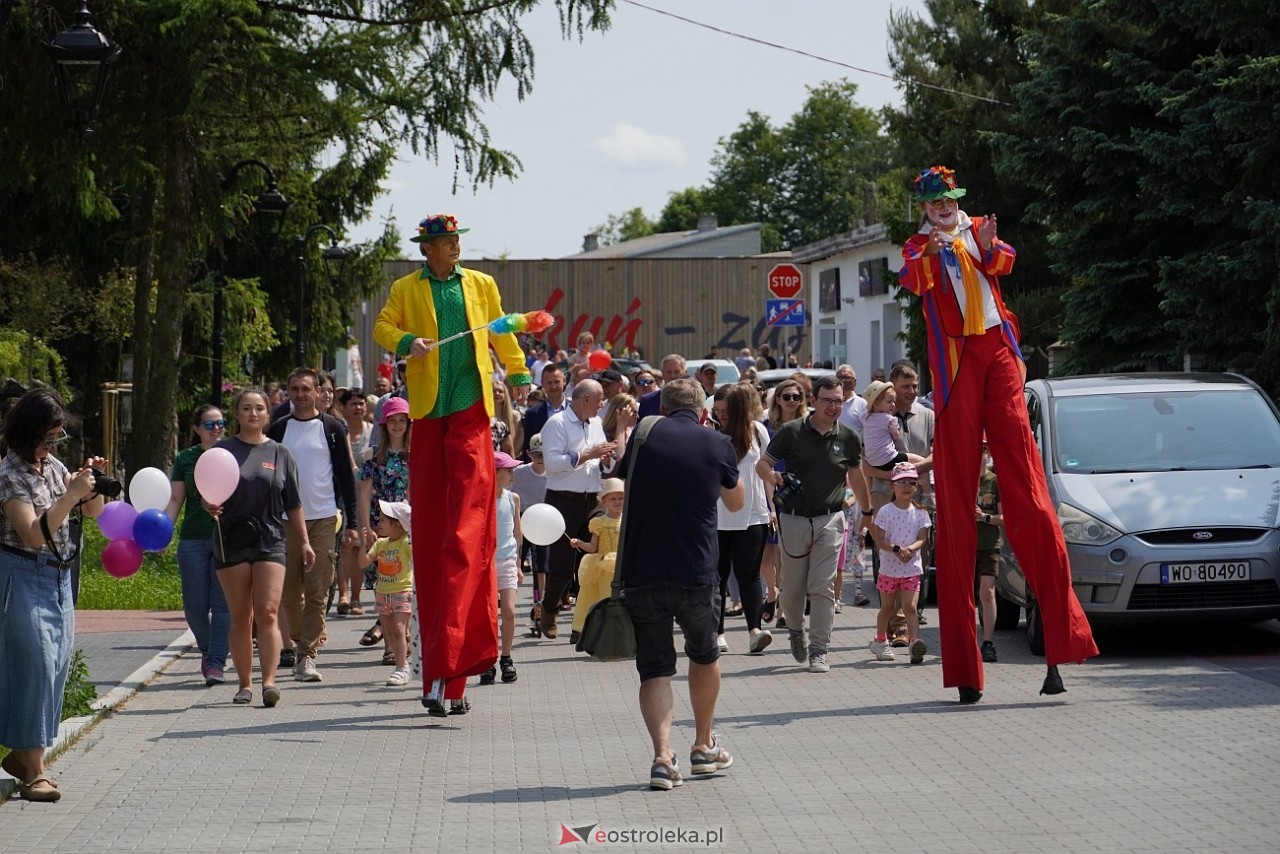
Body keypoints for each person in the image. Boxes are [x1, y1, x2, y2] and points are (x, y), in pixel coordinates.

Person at [899, 165, 1098, 702]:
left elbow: (1003, 262)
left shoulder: (978, 227)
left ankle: (1059, 648)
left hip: (998, 352)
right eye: (936, 201)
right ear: (923, 207)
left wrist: (982, 242)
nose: (945, 207)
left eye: (950, 199)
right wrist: (940, 248)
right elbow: (915, 281)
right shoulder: (918, 247)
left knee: (1030, 494)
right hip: (958, 364)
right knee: (958, 500)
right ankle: (966, 667)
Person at [373, 213, 531, 716]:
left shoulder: (481, 284)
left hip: (468, 408)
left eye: (457, 240)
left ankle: (454, 675)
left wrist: (520, 367)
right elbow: (381, 325)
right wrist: (405, 343)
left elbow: (501, 331)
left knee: (466, 535)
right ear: (428, 249)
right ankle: (438, 675)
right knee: (439, 534)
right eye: (445, 242)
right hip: (429, 408)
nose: (454, 248)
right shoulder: (407, 287)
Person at [618, 379, 743, 791]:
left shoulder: (643, 434)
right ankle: (702, 746)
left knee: (655, 667)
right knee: (704, 656)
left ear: (665, 407)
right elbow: (736, 502)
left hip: (643, 568)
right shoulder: (717, 442)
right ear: (703, 410)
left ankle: (661, 757)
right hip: (697, 569)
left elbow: (621, 475)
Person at [0, 389, 108, 802]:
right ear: (27, 433)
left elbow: (93, 512)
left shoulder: (53, 466)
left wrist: (89, 486)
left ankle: (24, 759)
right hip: (22, 573)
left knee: (57, 670)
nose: (52, 446)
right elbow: (32, 533)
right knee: (36, 667)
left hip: (59, 578)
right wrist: (69, 495)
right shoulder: (10, 474)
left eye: (58, 438)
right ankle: (35, 772)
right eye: (48, 438)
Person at [756, 375, 872, 674]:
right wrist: (774, 477)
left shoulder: (848, 437)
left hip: (831, 519)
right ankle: (796, 631)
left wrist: (868, 512)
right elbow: (762, 464)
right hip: (793, 519)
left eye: (838, 401)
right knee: (793, 589)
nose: (833, 406)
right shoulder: (792, 432)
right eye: (827, 400)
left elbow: (857, 477)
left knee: (822, 588)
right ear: (813, 401)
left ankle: (819, 650)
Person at [208, 388, 314, 709]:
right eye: (246, 408)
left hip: (270, 540)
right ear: (237, 414)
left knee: (268, 611)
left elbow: (293, 503)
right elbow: (207, 492)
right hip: (231, 542)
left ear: (268, 414)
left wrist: (306, 541)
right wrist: (208, 505)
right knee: (242, 616)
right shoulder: (221, 451)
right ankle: (245, 684)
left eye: (259, 408)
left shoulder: (281, 453)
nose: (253, 413)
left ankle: (269, 682)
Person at [267, 367, 359, 684]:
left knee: (317, 589)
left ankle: (306, 656)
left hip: (322, 517)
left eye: (306, 389)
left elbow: (347, 478)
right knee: (289, 593)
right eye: (294, 389)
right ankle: (303, 636)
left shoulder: (332, 428)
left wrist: (351, 522)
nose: (300, 395)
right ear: (289, 392)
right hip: (286, 520)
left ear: (318, 391)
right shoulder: (278, 430)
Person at [538, 379, 614, 638]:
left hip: (592, 500)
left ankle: (582, 623)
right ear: (585, 400)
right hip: (563, 501)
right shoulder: (556, 424)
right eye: (599, 398)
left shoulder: (595, 424)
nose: (602, 404)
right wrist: (587, 455)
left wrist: (604, 457)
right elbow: (552, 462)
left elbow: (599, 458)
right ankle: (548, 611)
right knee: (562, 564)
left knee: (592, 561)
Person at [166, 404, 231, 686]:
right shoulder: (185, 458)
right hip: (192, 537)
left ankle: (216, 661)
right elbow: (175, 500)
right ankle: (206, 649)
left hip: (227, 538)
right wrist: (163, 530)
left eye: (220, 423)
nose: (216, 429)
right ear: (196, 429)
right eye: (209, 424)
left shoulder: (233, 454)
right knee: (194, 604)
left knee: (222, 604)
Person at [712, 384, 773, 654]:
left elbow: (766, 471)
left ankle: (754, 631)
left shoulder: (757, 431)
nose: (721, 415)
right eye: (717, 410)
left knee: (749, 575)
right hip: (719, 517)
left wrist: (772, 507)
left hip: (753, 514)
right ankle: (718, 633)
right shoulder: (711, 433)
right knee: (718, 576)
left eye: (725, 410)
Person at [356, 396, 412, 660]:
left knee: (405, 583)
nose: (398, 426)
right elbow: (365, 494)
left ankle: (403, 637)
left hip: (408, 526)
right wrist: (366, 527)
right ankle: (390, 645)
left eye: (403, 421)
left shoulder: (416, 454)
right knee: (383, 583)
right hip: (382, 526)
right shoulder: (374, 456)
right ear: (384, 424)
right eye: (393, 421)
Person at [868, 463, 932, 664]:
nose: (906, 486)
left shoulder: (921, 512)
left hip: (911, 567)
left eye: (911, 482)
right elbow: (879, 540)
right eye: (901, 482)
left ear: (917, 486)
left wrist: (910, 549)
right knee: (887, 607)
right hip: (889, 569)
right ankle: (880, 640)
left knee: (910, 607)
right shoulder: (886, 512)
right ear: (892, 486)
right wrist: (897, 549)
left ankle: (914, 643)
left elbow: (923, 538)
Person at [480, 452, 525, 685]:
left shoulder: (513, 499)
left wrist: (518, 564)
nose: (512, 474)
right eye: (508, 470)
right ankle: (487, 661)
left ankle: (506, 657)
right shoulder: (481, 499)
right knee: (487, 616)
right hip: (485, 564)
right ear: (494, 473)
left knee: (508, 611)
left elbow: (517, 533)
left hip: (507, 560)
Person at [567, 477, 624, 644]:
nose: (617, 502)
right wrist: (579, 543)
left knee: (624, 601)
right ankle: (603, 636)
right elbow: (593, 547)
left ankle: (622, 635)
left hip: (624, 566)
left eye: (621, 498)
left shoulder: (628, 521)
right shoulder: (599, 522)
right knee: (605, 599)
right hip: (605, 566)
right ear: (603, 501)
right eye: (612, 498)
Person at [366, 499, 413, 687]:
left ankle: (401, 668)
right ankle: (406, 663)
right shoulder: (381, 544)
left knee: (399, 629)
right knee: (390, 635)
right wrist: (364, 544)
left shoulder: (405, 543)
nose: (379, 522)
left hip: (402, 590)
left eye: (383, 520)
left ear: (397, 525)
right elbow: (363, 563)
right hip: (382, 592)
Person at [336, 388, 372, 617]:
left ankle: (357, 597)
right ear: (344, 408)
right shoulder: (339, 432)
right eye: (353, 404)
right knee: (345, 545)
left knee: (360, 546)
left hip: (367, 497)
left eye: (361, 403)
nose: (358, 407)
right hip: (342, 496)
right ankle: (343, 594)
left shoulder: (373, 432)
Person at [859, 380, 929, 482]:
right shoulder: (889, 419)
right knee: (921, 462)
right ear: (876, 403)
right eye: (889, 402)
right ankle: (927, 489)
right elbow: (895, 436)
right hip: (889, 458)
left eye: (894, 401)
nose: (893, 405)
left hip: (872, 461)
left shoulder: (865, 417)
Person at [975, 443, 1003, 663]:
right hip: (965, 545)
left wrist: (984, 517)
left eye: (983, 449)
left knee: (988, 592)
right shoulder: (962, 478)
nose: (978, 454)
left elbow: (1004, 518)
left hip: (989, 544)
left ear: (987, 453)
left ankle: (988, 643)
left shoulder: (995, 481)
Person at [519, 364, 567, 461]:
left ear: (564, 381)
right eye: (549, 383)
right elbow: (528, 448)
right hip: (543, 469)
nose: (553, 386)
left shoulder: (576, 410)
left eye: (557, 382)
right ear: (542, 383)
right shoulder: (532, 414)